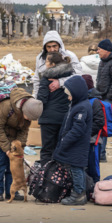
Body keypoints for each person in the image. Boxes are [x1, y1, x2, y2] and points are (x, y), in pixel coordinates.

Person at [0, 88, 43, 201]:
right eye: (28, 117)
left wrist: (19, 147)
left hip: (13, 137)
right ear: (24, 110)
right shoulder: (6, 106)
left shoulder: (28, 112)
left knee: (13, 167)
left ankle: (11, 191)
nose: (29, 120)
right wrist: (7, 150)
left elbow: (23, 132)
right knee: (0, 163)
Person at [53, 76, 92, 205]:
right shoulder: (78, 105)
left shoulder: (81, 107)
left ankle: (78, 194)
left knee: (77, 169)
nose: (68, 98)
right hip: (76, 146)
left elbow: (77, 130)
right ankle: (78, 192)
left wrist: (65, 142)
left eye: (70, 95)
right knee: (76, 169)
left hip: (77, 146)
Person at [36, 51, 73, 167]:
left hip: (48, 119)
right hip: (64, 117)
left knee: (47, 150)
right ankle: (60, 178)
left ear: (52, 64)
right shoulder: (69, 77)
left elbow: (42, 99)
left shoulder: (47, 78)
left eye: (47, 60)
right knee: (60, 148)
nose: (45, 63)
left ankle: (46, 178)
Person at [32, 31, 82, 98]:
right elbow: (37, 79)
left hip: (65, 97)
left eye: (54, 46)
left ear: (59, 45)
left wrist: (60, 82)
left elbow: (78, 76)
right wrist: (36, 97)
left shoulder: (70, 56)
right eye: (49, 47)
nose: (52, 49)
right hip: (46, 97)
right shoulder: (40, 58)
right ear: (45, 47)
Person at [83, 75, 104, 183]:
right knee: (86, 165)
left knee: (93, 165)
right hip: (86, 139)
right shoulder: (84, 100)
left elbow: (99, 121)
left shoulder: (95, 102)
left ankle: (96, 186)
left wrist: (88, 134)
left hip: (93, 140)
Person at [94, 39, 112, 162]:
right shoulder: (102, 61)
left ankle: (102, 154)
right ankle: (101, 153)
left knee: (104, 126)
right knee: (102, 125)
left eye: (99, 49)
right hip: (101, 97)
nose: (97, 51)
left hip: (108, 100)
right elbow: (100, 80)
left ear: (106, 50)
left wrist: (108, 98)